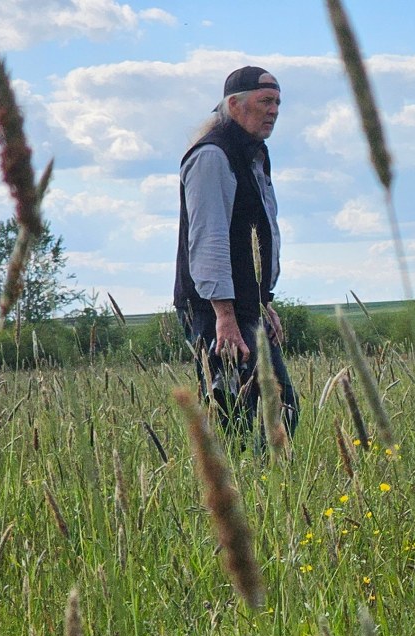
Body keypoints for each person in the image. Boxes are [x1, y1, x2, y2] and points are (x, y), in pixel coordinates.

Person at [174, 66, 298, 444]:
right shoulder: (213, 155)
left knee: (279, 410)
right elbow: (209, 237)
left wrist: (264, 302)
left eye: (277, 102)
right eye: (265, 101)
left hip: (244, 306)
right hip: (215, 310)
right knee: (234, 416)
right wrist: (223, 315)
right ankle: (238, 495)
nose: (274, 110)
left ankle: (262, 495)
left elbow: (258, 235)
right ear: (234, 104)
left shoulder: (253, 154)